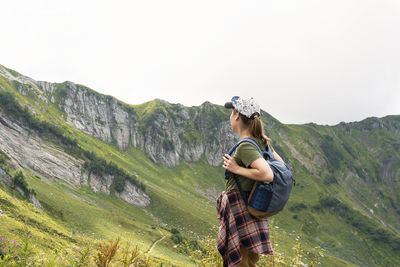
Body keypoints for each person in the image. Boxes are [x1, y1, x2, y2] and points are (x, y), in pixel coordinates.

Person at [217, 96, 284, 267]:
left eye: (232, 113)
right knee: (248, 261)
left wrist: (236, 168)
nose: (230, 117)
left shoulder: (246, 146)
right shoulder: (263, 143)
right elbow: (281, 166)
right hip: (252, 206)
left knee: (240, 261)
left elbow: (267, 174)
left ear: (237, 116)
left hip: (240, 206)